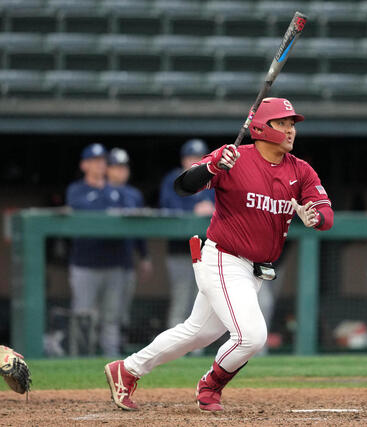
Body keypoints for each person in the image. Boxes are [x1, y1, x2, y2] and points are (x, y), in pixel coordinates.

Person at [105, 97, 334, 412]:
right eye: (282, 123)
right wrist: (212, 166)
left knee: (196, 333)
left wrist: (315, 218)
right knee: (252, 336)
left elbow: (325, 212)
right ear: (261, 127)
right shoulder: (233, 157)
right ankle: (210, 386)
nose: (290, 130)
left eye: (292, 123)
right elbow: (183, 187)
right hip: (223, 257)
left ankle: (127, 370)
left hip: (253, 268)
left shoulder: (300, 170)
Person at [66, 143, 128, 357]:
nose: (99, 165)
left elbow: (128, 215)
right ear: (84, 165)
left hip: (114, 262)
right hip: (85, 262)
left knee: (111, 317)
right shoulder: (76, 190)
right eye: (94, 161)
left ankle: (111, 360)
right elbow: (82, 209)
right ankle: (81, 359)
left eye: (102, 161)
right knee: (83, 314)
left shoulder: (117, 191)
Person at [159, 139, 216, 330]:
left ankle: (197, 350)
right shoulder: (173, 179)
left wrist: (212, 209)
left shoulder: (212, 179)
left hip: (207, 252)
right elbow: (169, 208)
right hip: (180, 250)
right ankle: (172, 349)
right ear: (184, 159)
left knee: (202, 302)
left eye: (199, 157)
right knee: (181, 300)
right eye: (191, 157)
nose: (195, 161)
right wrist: (194, 209)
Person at [106, 148, 153, 342]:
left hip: (125, 261)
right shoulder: (101, 190)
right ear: (107, 169)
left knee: (119, 313)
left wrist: (144, 256)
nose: (120, 171)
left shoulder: (133, 194)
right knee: (99, 313)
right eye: (116, 167)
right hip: (98, 260)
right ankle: (90, 353)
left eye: (123, 167)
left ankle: (113, 351)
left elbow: (139, 230)